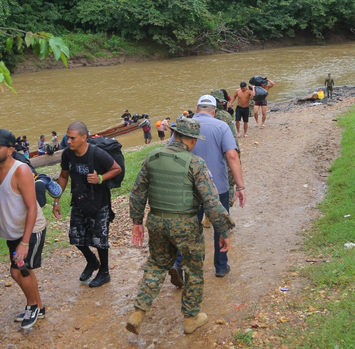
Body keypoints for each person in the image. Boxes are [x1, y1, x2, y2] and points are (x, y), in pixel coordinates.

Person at [125, 117, 235, 336]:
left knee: (156, 265)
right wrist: (224, 230)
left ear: (174, 135)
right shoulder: (195, 164)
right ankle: (190, 319)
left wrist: (137, 221)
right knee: (193, 270)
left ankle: (138, 312)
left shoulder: (152, 157)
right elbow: (211, 202)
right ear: (192, 140)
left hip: (156, 221)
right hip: (185, 224)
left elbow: (137, 192)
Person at [171, 95, 245, 282]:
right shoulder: (221, 126)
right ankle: (220, 266)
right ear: (214, 111)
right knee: (220, 225)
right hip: (217, 187)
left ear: (196, 109)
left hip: (188, 188)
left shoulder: (182, 127)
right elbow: (232, 156)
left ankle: (180, 263)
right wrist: (240, 186)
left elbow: (170, 154)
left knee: (188, 228)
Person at [0, 129, 48, 329]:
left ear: (10, 150)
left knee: (19, 271)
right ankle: (40, 307)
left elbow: (31, 208)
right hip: (12, 231)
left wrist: (25, 243)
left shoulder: (20, 171)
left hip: (31, 229)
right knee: (23, 269)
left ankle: (33, 306)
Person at [55, 122, 123, 288]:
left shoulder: (97, 154)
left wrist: (100, 178)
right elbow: (63, 176)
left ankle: (104, 272)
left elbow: (116, 168)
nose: (68, 141)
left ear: (84, 137)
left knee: (100, 240)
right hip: (79, 201)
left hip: (99, 202)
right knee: (76, 238)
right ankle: (92, 262)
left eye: (72, 138)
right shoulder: (67, 154)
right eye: (67, 137)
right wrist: (56, 200)